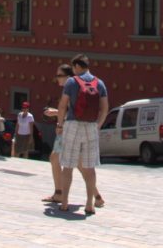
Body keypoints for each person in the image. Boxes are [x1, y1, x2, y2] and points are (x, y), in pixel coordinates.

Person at [42, 64, 104, 208]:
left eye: (59, 75)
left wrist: (56, 115)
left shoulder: (70, 87)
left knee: (56, 158)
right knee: (79, 164)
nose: (57, 78)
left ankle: (59, 194)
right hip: (78, 128)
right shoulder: (77, 87)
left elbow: (72, 112)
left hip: (68, 130)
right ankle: (97, 196)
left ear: (68, 76)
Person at [55, 53, 108, 215]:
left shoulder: (72, 82)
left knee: (68, 166)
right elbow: (105, 107)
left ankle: (64, 202)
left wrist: (60, 124)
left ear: (77, 67)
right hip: (91, 126)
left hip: (73, 124)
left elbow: (63, 105)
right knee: (89, 167)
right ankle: (89, 204)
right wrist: (98, 125)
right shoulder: (99, 83)